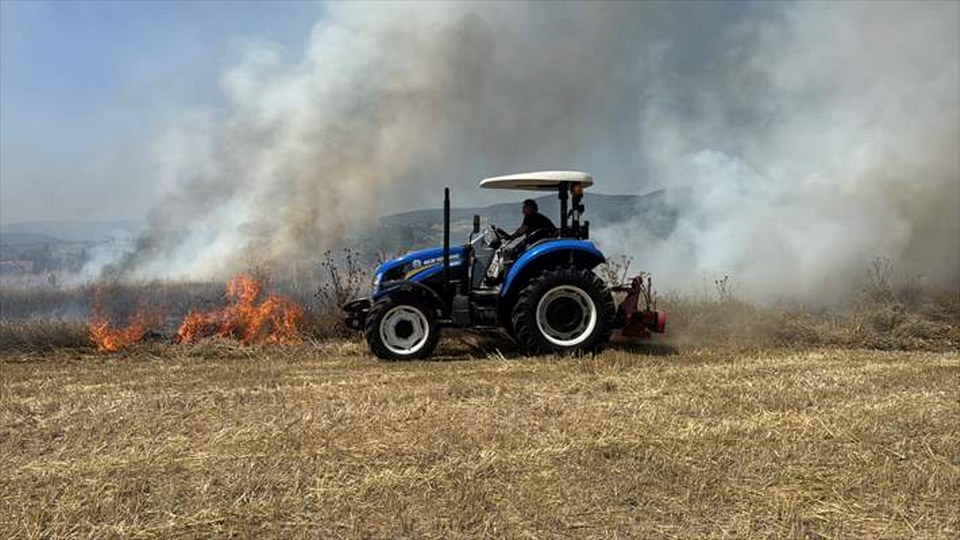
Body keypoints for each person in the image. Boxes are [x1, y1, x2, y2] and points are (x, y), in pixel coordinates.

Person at [486, 199, 557, 284]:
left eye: (525, 207)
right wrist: (510, 237)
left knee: (512, 253)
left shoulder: (532, 217)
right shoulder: (532, 217)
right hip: (535, 242)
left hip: (537, 243)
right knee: (513, 250)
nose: (523, 209)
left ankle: (504, 278)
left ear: (531, 208)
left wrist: (511, 237)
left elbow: (521, 231)